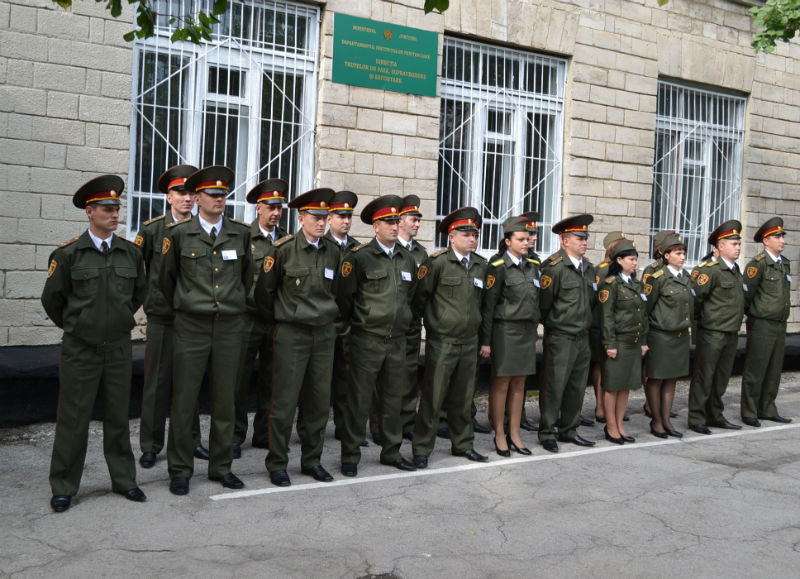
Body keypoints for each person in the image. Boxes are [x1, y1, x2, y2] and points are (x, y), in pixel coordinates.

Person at [42, 175, 147, 512]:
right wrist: (79, 326)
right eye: (106, 209)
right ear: (90, 211)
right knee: (73, 420)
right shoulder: (68, 254)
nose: (114, 215)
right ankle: (63, 486)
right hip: (81, 350)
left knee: (118, 418)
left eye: (117, 209)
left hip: (118, 348)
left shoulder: (131, 254)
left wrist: (116, 321)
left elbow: (137, 295)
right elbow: (53, 301)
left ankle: (124, 480)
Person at [160, 165, 253, 495]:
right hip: (191, 327)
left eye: (223, 194)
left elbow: (247, 278)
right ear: (197, 198)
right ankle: (180, 469)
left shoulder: (239, 234)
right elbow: (165, 280)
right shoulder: (178, 235)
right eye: (212, 195)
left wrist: (232, 305)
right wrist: (187, 307)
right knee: (184, 402)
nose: (219, 200)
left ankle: (221, 466)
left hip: (228, 328)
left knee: (225, 401)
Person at [255, 188, 341, 487]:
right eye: (316, 217)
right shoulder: (283, 250)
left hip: (323, 335)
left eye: (325, 217)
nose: (321, 223)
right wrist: (284, 320)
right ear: (301, 218)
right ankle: (277, 463)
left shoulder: (333, 252)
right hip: (292, 334)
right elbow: (264, 294)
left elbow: (338, 293)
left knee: (318, 402)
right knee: (284, 402)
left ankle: (312, 460)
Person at [337, 195, 417, 476]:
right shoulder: (360, 257)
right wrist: (354, 331)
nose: (394, 227)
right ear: (375, 226)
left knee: (393, 400)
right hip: (366, 340)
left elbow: (411, 298)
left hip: (396, 341)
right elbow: (345, 299)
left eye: (396, 221)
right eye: (388, 222)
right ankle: (350, 454)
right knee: (359, 401)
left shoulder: (407, 259)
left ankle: (391, 451)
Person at [136, 165, 208, 469]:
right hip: (163, 317)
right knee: (157, 382)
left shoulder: (202, 229)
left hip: (193, 317)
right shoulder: (153, 230)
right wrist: (150, 301)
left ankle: (191, 440)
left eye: (191, 193)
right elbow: (137, 271)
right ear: (169, 197)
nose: (187, 198)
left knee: (190, 383)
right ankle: (151, 445)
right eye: (180, 192)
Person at [411, 207, 490, 468]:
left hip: (469, 342)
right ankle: (422, 448)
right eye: (466, 235)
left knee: (464, 398)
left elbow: (483, 305)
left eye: (475, 235)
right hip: (443, 341)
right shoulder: (437, 263)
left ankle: (463, 444)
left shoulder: (480, 265)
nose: (472, 239)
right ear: (452, 237)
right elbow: (420, 299)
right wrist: (434, 326)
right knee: (433, 398)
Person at [232, 178, 289, 459]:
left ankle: (264, 434)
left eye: (279, 208)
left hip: (276, 320)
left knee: (272, 380)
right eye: (271, 207)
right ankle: (234, 436)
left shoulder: (286, 241)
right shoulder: (244, 237)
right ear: (259, 208)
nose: (276, 213)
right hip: (247, 319)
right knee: (238, 381)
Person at [480, 216, 540, 457]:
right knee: (502, 383)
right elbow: (488, 307)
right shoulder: (498, 267)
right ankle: (499, 433)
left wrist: (534, 333)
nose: (526, 243)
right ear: (508, 241)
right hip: (504, 331)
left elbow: (536, 302)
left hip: (526, 333)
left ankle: (515, 433)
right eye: (521, 239)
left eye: (527, 239)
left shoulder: (532, 265)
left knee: (520, 384)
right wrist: (486, 341)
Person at [538, 214, 598, 452]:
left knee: (577, 387)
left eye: (585, 238)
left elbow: (591, 301)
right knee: (554, 386)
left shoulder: (588, 268)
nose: (584, 242)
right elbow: (544, 306)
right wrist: (556, 326)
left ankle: (569, 429)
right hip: (561, 337)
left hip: (582, 336)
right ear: (564, 241)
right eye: (579, 238)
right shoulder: (554, 268)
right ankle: (547, 431)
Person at [688, 220, 745, 435]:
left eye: (739, 243)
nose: (738, 247)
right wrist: (700, 329)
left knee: (721, 377)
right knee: (704, 376)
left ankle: (715, 414)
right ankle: (696, 417)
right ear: (720, 246)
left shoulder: (735, 270)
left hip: (731, 331)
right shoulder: (709, 270)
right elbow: (695, 302)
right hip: (712, 332)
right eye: (733, 244)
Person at [740, 217, 793, 426]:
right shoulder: (758, 264)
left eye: (782, 237)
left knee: (774, 368)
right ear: (766, 240)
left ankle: (767, 408)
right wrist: (754, 317)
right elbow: (747, 295)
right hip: (762, 323)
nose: (782, 241)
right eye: (777, 237)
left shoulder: (784, 264)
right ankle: (749, 411)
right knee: (756, 368)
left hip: (779, 323)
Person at [598, 239, 649, 444]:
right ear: (619, 260)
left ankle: (619, 424)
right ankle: (611, 426)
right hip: (618, 342)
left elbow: (643, 315)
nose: (635, 263)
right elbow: (606, 317)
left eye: (636, 259)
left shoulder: (637, 284)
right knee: (613, 386)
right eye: (631, 259)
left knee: (625, 386)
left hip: (633, 341)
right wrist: (610, 344)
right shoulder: (610, 284)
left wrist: (643, 341)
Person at [642, 232, 692, 438]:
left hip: (680, 336)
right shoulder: (657, 279)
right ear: (666, 256)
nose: (682, 257)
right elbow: (646, 310)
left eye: (683, 253)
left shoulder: (686, 277)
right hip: (660, 336)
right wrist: (644, 339)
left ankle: (666, 420)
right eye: (677, 253)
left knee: (672, 379)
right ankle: (656, 421)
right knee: (656, 379)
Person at [324, 191, 363, 442]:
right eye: (341, 216)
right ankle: (310, 429)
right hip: (323, 322)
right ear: (329, 218)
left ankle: (343, 427)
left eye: (349, 216)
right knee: (316, 381)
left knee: (345, 380)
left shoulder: (357, 249)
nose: (346, 221)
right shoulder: (321, 244)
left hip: (347, 324)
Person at [396, 195, 428, 441]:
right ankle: (381, 425)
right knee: (386, 379)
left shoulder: (421, 253)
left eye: (418, 220)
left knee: (408, 377)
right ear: (400, 221)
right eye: (413, 219)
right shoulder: (388, 247)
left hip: (412, 323)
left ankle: (406, 422)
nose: (417, 224)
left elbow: (423, 291)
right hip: (389, 326)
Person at [640, 229, 679, 420]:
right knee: (653, 370)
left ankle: (662, 407)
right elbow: (646, 304)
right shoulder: (652, 271)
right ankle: (650, 404)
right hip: (656, 328)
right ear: (662, 250)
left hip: (673, 330)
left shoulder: (678, 271)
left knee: (668, 371)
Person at [589, 231, 625, 425]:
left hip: (618, 327)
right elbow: (597, 300)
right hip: (600, 324)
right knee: (600, 365)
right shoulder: (602, 270)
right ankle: (600, 406)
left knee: (613, 367)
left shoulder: (623, 269)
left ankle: (612, 408)